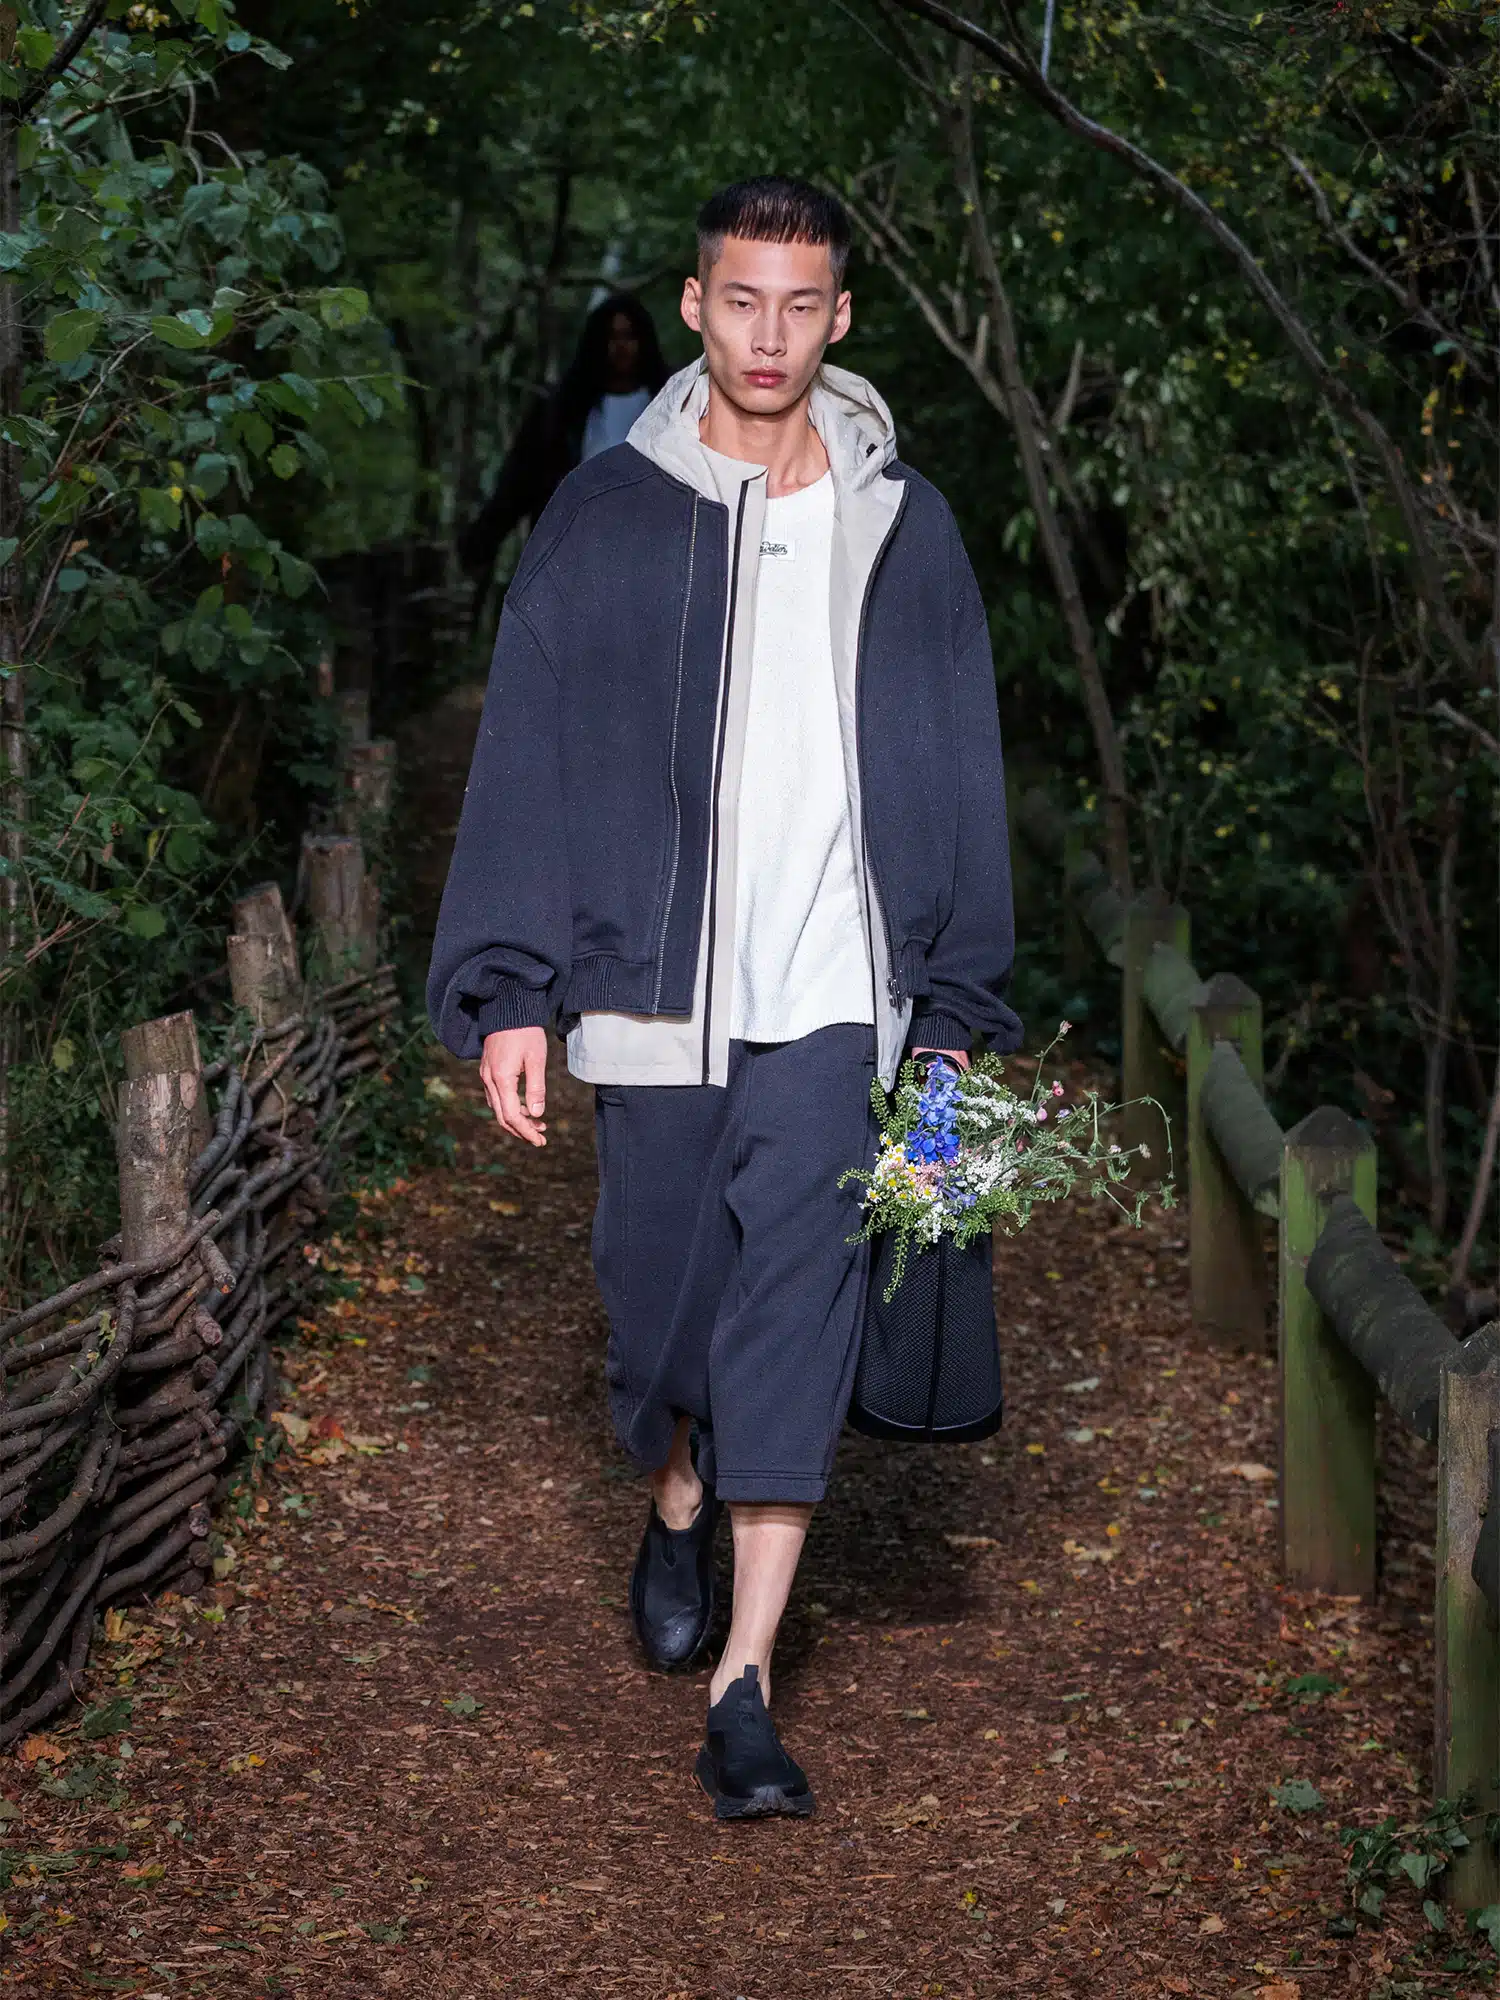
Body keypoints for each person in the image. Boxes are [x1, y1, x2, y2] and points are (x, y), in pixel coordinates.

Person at [428, 177, 1020, 1819]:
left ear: (840, 318)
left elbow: (962, 772)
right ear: (696, 306)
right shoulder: (608, 514)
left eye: (801, 305)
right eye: (741, 300)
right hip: (656, 990)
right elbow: (527, 753)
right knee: (661, 1306)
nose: (770, 334)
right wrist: (511, 987)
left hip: (837, 995)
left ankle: (747, 1683)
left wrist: (953, 1015)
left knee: (800, 1301)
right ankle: (677, 1484)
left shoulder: (905, 527)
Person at [457, 292, 668, 578]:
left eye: (629, 336)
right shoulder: (563, 410)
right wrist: (482, 542)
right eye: (611, 337)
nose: (620, 347)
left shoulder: (674, 406)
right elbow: (520, 481)